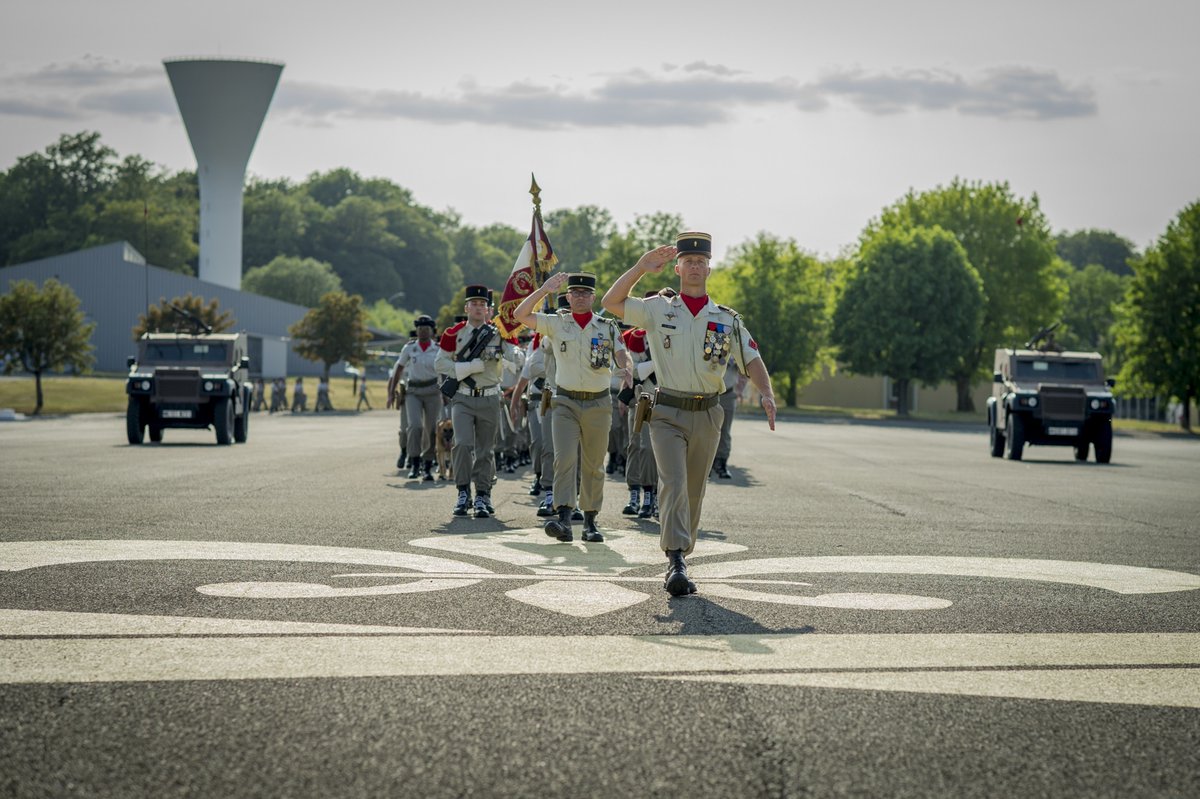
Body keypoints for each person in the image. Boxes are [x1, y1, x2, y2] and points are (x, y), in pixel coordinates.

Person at [602, 231, 777, 596]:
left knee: (694, 489)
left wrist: (768, 393)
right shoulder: (657, 308)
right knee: (674, 483)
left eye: (701, 262)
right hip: (666, 410)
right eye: (689, 261)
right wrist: (640, 267)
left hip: (709, 413)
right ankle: (676, 559)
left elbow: (752, 358)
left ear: (709, 269)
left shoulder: (726, 319)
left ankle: (681, 551)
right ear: (678, 267)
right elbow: (611, 302)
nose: (695, 267)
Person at [514, 272, 628, 543]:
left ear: (593, 297)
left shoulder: (607, 327)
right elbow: (520, 314)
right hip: (564, 401)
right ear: (567, 296)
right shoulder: (556, 324)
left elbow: (623, 356)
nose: (579, 297)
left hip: (598, 402)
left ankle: (590, 521)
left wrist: (627, 368)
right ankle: (564, 518)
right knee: (564, 458)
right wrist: (543, 289)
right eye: (574, 293)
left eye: (585, 293)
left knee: (593, 464)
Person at [436, 285, 517, 519]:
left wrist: (515, 354)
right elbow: (440, 364)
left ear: (489, 309)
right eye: (474, 304)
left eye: (483, 304)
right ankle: (463, 492)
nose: (479, 308)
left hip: (490, 396)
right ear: (466, 307)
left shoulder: (498, 332)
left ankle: (483, 494)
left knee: (485, 450)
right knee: (461, 444)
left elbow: (514, 355)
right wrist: (467, 367)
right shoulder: (454, 333)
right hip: (463, 396)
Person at [388, 316, 441, 480]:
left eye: (426, 328)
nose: (423, 331)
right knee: (415, 426)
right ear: (416, 331)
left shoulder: (438, 349)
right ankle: (414, 462)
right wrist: (391, 392)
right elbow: (398, 369)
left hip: (433, 391)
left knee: (431, 429)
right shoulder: (409, 348)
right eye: (420, 328)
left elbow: (445, 372)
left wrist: (446, 393)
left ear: (432, 331)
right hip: (414, 392)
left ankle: (427, 466)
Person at [711, 361, 745, 479]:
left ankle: (721, 464)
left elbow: (746, 370)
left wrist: (740, 389)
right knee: (706, 429)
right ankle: (707, 463)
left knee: (725, 431)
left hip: (728, 393)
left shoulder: (735, 344)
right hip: (708, 393)